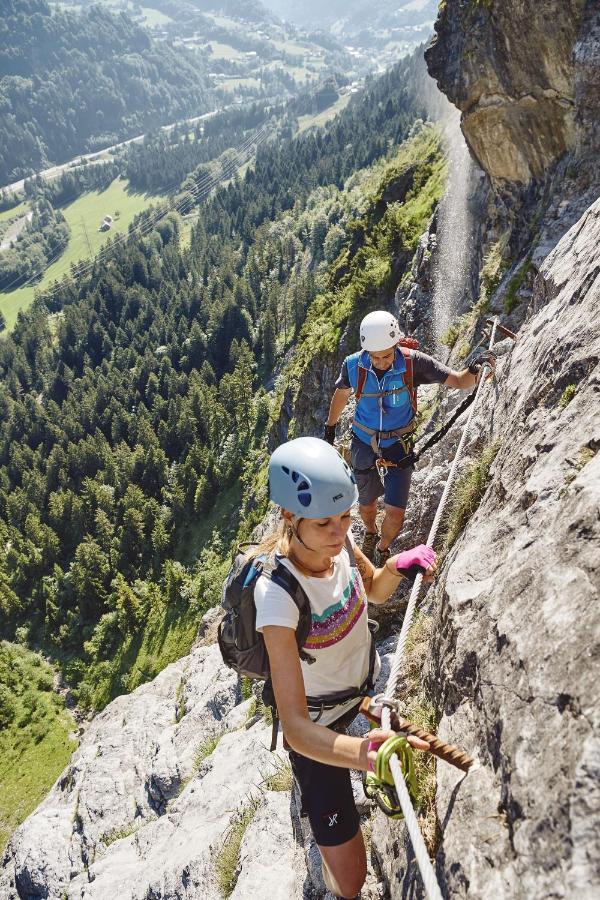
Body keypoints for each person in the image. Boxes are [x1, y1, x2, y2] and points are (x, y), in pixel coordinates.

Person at [254, 436, 437, 899]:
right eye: (324, 524)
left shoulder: (340, 542)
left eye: (345, 518)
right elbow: (295, 728)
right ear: (290, 521)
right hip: (317, 725)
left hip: (359, 691)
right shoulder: (276, 596)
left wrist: (396, 564)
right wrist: (363, 755)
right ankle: (319, 840)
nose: (339, 534)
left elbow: (373, 589)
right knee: (351, 883)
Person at [324, 310, 496, 564]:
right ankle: (370, 532)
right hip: (363, 438)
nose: (383, 362)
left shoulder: (414, 363)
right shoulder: (353, 365)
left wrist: (475, 369)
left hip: (398, 443)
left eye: (387, 355)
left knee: (396, 513)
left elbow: (459, 381)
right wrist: (330, 427)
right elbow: (341, 394)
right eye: (376, 357)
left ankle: (383, 548)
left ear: (397, 344)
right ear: (365, 351)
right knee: (367, 503)